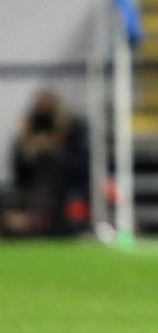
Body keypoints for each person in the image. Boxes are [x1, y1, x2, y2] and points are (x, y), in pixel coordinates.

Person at [4, 88, 89, 237]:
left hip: (65, 185)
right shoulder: (29, 129)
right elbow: (20, 172)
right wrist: (26, 145)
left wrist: (54, 148)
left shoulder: (71, 128)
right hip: (35, 186)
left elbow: (78, 166)